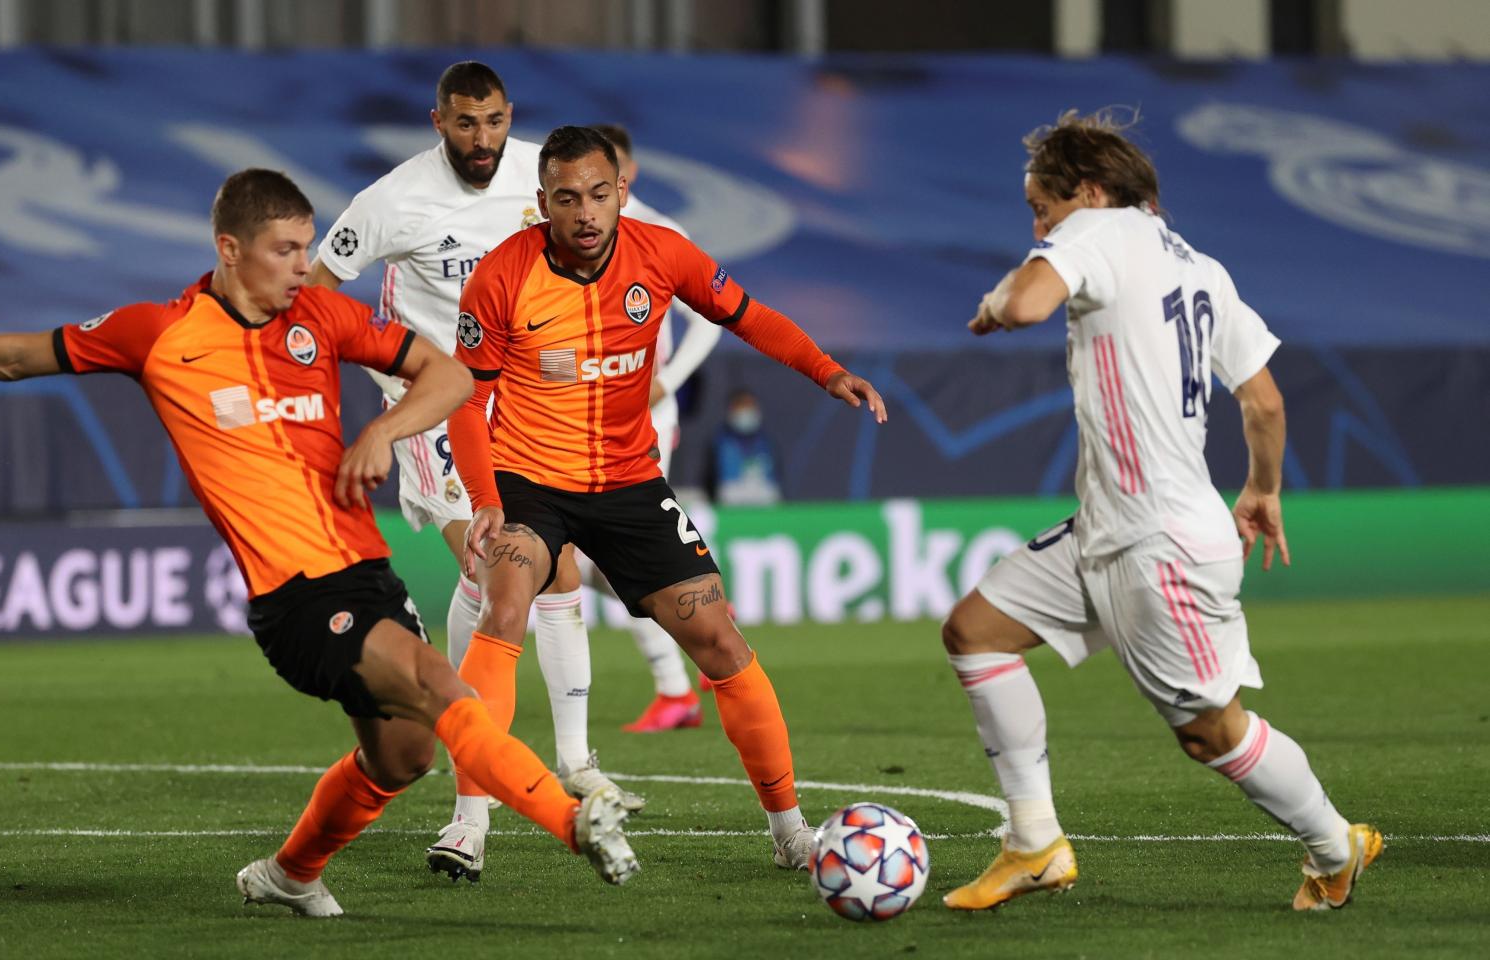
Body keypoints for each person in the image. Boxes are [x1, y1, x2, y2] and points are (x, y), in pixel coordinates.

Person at [0, 168, 640, 915]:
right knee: (435, 680)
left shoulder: (320, 314)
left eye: (309, 247)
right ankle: (572, 821)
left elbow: (451, 372)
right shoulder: (159, 334)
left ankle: (290, 873)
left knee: (401, 758)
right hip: (293, 598)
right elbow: (20, 357)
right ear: (229, 249)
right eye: (285, 250)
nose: (303, 266)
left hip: (368, 579)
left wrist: (385, 430)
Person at [940, 110, 1379, 912]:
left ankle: (1332, 841)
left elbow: (1031, 302)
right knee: (976, 633)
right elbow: (1266, 401)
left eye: (1042, 208)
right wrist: (1264, 488)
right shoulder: (1201, 266)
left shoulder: (1095, 233)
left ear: (1093, 193)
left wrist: (998, 301)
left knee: (1210, 732)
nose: (1038, 227)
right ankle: (1034, 843)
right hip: (1110, 526)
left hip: (1159, 542)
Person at [447, 126, 887, 872]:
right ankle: (469, 822)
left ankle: (789, 833)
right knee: (506, 605)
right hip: (531, 480)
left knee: (722, 642)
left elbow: (746, 315)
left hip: (628, 483)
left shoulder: (663, 253)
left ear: (621, 190)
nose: (585, 213)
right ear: (541, 203)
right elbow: (466, 401)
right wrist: (485, 496)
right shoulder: (501, 275)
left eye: (597, 194)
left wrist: (825, 370)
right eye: (566, 198)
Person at [304, 62, 636, 882]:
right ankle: (470, 814)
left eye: (491, 122)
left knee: (557, 574)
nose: (479, 139)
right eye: (463, 123)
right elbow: (315, 292)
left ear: (508, 117)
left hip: (523, 407)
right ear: (437, 121)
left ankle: (575, 763)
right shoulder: (393, 201)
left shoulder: (547, 175)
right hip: (433, 404)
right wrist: (371, 381)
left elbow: (620, 244)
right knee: (497, 570)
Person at [587, 123, 724, 733]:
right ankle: (696, 616)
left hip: (642, 417)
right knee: (583, 557)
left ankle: (680, 678)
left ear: (628, 173)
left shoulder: (664, 234)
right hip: (574, 416)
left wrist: (667, 381)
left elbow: (712, 320)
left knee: (612, 550)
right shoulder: (569, 236)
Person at [705, 388, 783, 506]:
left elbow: (776, 484)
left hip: (765, 504)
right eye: (741, 405)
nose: (746, 411)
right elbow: (712, 485)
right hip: (731, 503)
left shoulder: (767, 443)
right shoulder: (720, 444)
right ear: (731, 410)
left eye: (750, 405)